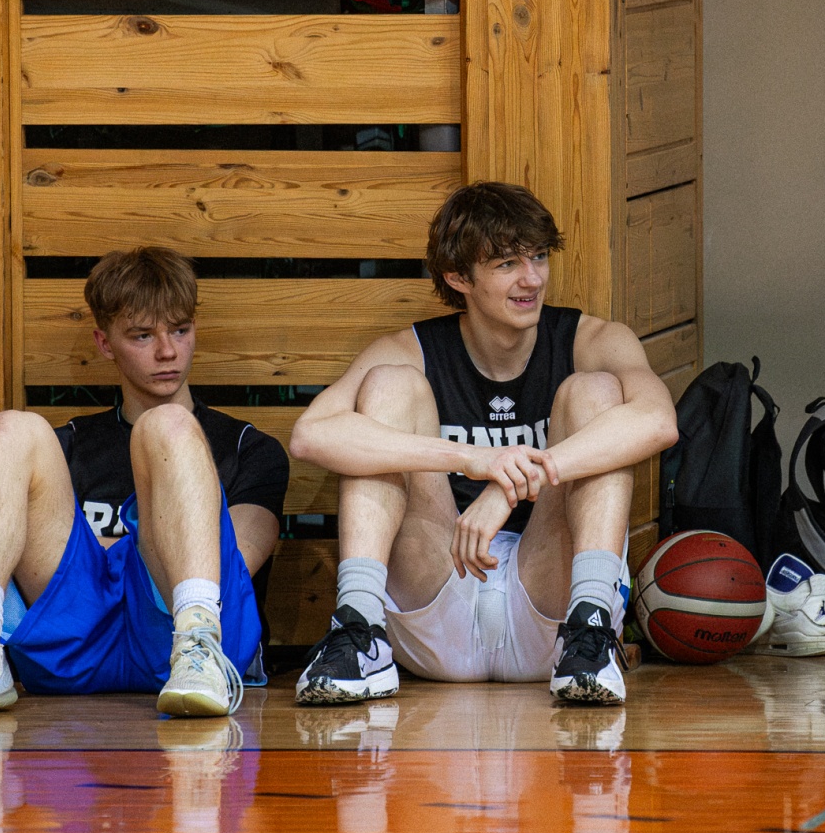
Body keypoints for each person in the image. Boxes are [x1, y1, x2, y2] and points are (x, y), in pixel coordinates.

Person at [289, 182, 678, 708]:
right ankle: (359, 630)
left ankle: (591, 629)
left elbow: (658, 422)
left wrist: (512, 485)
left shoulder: (593, 340)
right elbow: (312, 434)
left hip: (551, 608)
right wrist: (471, 459)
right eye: (507, 264)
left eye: (539, 257)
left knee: (596, 393)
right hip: (436, 596)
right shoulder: (414, 348)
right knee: (388, 387)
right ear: (458, 277)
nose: (532, 279)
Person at [0, 247, 288, 719]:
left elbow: (238, 556)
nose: (168, 351)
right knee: (11, 429)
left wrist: (107, 547)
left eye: (180, 330)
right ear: (105, 342)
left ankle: (198, 640)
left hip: (181, 634)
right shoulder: (67, 447)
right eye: (142, 335)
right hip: (76, 637)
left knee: (168, 425)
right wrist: (148, 534)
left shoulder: (247, 447)